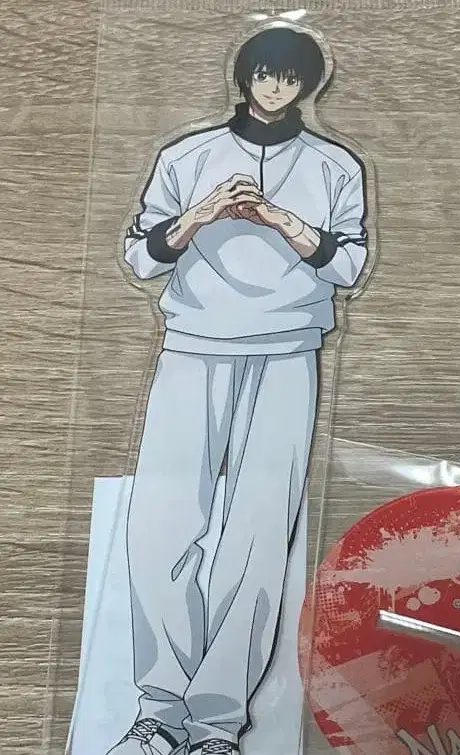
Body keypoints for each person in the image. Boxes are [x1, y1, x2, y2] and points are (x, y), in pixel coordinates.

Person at [107, 26, 368, 755]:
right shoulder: (186, 156)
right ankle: (159, 710)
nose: (276, 87)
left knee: (257, 536)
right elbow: (140, 257)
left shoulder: (335, 164)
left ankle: (218, 724)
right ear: (245, 76)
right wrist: (200, 215)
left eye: (290, 77)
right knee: (161, 523)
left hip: (288, 352)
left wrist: (284, 221)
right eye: (265, 73)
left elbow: (349, 265)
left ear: (307, 86)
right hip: (192, 347)